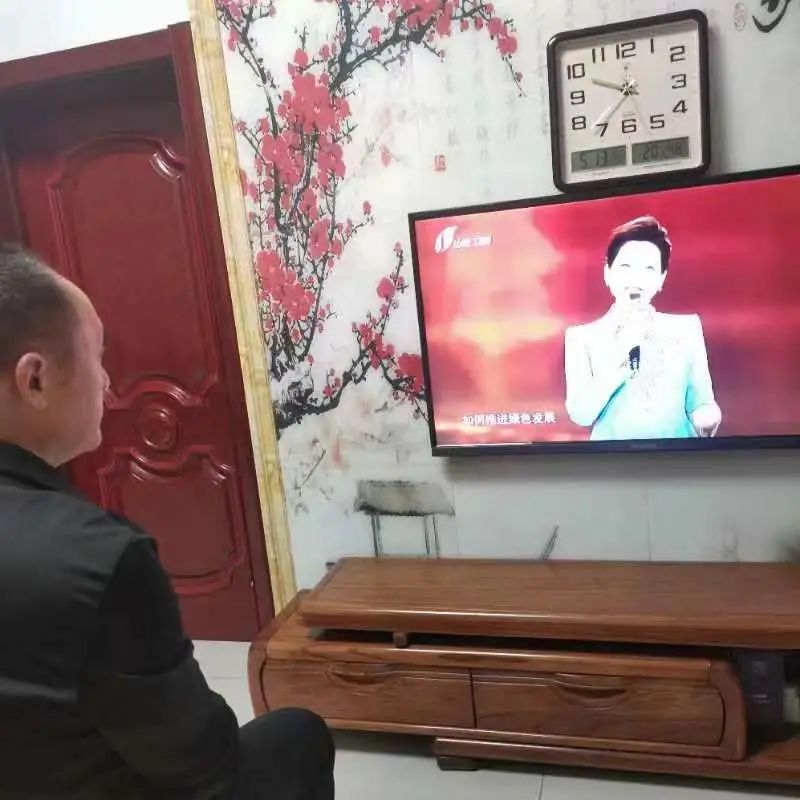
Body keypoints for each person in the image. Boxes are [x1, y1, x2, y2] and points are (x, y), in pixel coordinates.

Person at [0, 243, 335, 799]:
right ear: (34, 380)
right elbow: (206, 765)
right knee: (298, 734)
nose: (107, 383)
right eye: (97, 356)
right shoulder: (98, 558)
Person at [564, 216, 721, 441]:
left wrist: (708, 418)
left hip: (679, 457)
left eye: (648, 269)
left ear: (661, 279)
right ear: (607, 272)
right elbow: (581, 414)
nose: (636, 279)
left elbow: (702, 403)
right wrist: (622, 361)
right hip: (609, 459)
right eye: (625, 267)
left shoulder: (686, 328)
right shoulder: (582, 337)